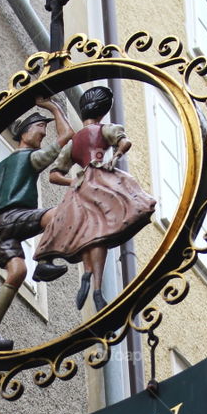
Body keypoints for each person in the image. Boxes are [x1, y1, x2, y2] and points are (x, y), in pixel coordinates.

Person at [0, 96, 73, 352]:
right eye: (40, 131)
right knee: (59, 212)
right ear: (25, 133)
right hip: (12, 219)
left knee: (17, 272)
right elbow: (67, 135)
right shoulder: (30, 159)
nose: (43, 136)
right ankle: (44, 261)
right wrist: (52, 106)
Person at [35, 85, 156, 311]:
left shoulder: (73, 142)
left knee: (86, 233)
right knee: (101, 232)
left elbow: (54, 175)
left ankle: (87, 274)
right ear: (102, 112)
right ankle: (97, 287)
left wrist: (74, 182)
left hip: (81, 187)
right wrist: (115, 157)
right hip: (102, 181)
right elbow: (124, 142)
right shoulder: (103, 129)